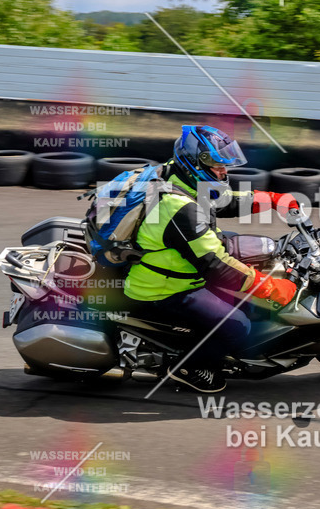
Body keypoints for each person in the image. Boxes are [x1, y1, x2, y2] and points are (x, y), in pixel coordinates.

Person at [124, 125, 298, 393]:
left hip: (178, 262)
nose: (224, 171)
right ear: (195, 161)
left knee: (248, 262)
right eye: (217, 164)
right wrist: (270, 287)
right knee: (238, 325)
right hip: (165, 288)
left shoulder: (178, 174)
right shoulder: (180, 208)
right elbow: (216, 267)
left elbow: (221, 201)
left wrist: (272, 200)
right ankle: (190, 367)